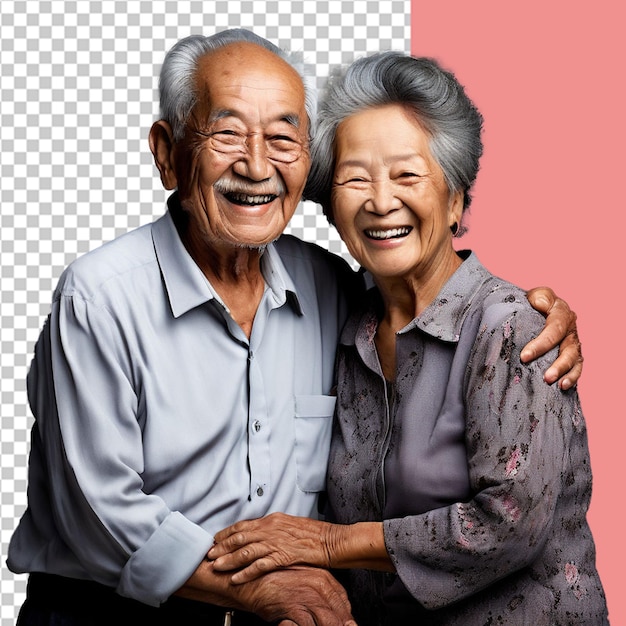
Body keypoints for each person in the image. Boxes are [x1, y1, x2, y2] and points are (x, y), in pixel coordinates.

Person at [7, 31, 581, 625]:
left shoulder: (332, 290)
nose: (257, 166)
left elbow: (446, 304)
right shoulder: (100, 297)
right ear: (166, 152)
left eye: (283, 137)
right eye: (227, 133)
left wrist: (532, 317)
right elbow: (95, 509)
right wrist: (250, 587)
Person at [207, 52, 609, 624]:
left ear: (456, 200)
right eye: (354, 178)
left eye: (407, 174)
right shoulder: (347, 327)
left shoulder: (511, 330)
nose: (379, 200)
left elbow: (509, 520)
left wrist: (326, 544)